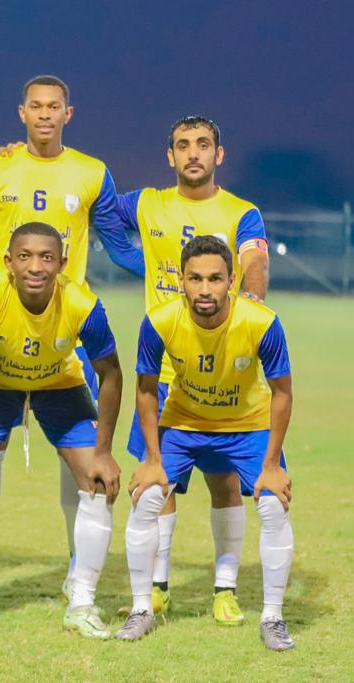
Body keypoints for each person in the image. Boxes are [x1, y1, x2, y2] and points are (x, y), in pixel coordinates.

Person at [0, 74, 143, 595]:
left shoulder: (91, 173)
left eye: (53, 106)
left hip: (67, 337)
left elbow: (119, 247)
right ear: (22, 113)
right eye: (35, 106)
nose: (44, 114)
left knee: (78, 457)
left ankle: (75, 567)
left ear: (68, 113)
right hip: (0, 329)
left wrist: (173, 271)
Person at [117, 116, 270, 621]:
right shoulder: (147, 203)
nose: (193, 153)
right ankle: (158, 586)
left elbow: (255, 262)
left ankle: (225, 590)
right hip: (164, 374)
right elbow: (97, 206)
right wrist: (128, 258)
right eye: (183, 146)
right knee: (158, 483)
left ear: (218, 154)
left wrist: (250, 309)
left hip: (221, 377)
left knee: (223, 483)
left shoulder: (241, 212)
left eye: (203, 144)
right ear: (170, 156)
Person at [0, 222, 123, 637]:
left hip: (60, 387)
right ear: (8, 261)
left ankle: (82, 601)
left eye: (46, 257)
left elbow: (111, 374)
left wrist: (103, 452)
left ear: (62, 263)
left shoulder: (82, 303)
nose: (35, 266)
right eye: (24, 256)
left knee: (98, 482)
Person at [117, 235, 294, 651]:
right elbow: (145, 389)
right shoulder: (159, 321)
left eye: (215, 278)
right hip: (183, 423)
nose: (205, 289)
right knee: (146, 497)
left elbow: (282, 392)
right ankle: (142, 608)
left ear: (232, 280)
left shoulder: (262, 322)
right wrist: (152, 459)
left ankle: (273, 617)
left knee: (274, 504)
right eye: (195, 278)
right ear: (181, 280)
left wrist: (271, 465)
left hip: (247, 426)